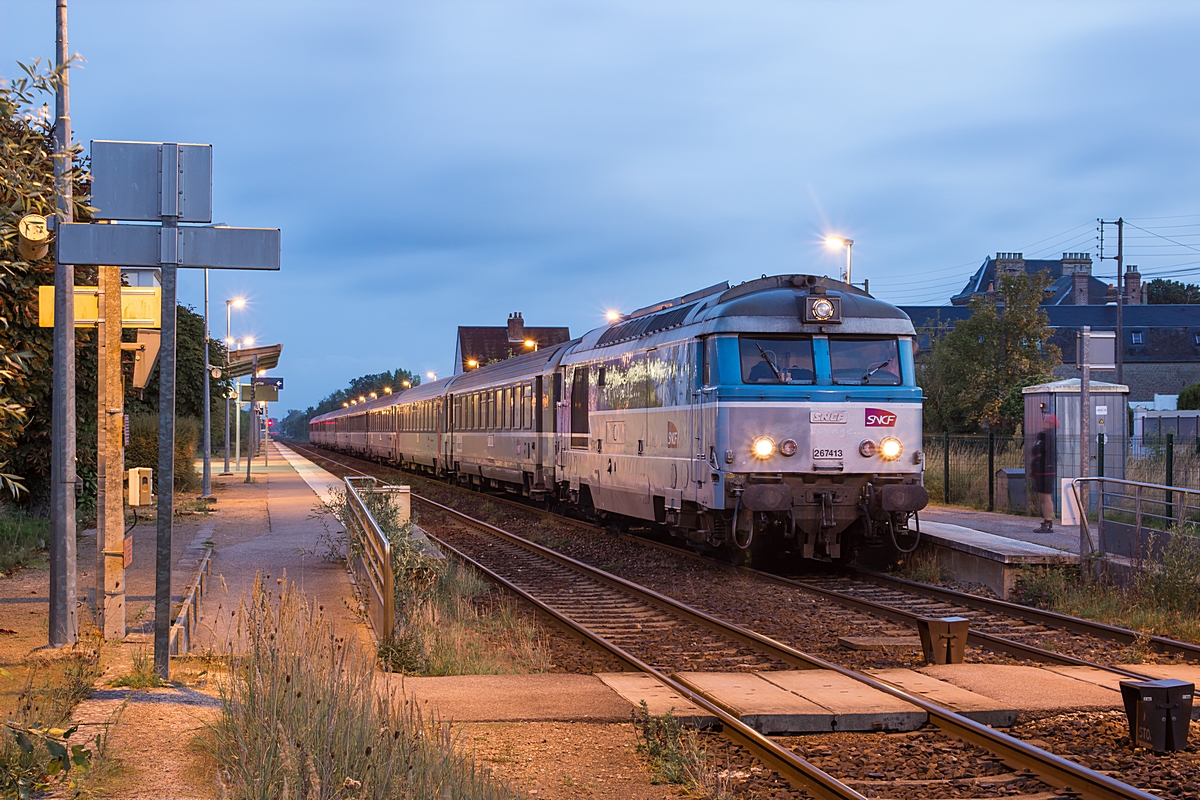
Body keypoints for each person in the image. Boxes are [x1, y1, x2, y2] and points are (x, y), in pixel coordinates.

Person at [1031, 414, 1057, 532]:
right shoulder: (1043, 436)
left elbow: (1038, 450)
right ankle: (1046, 521)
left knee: (1046, 497)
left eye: (1045, 421)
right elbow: (1035, 451)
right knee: (1043, 497)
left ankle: (1048, 522)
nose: (1043, 423)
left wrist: (1038, 453)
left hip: (1046, 470)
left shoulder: (1048, 436)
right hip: (1042, 470)